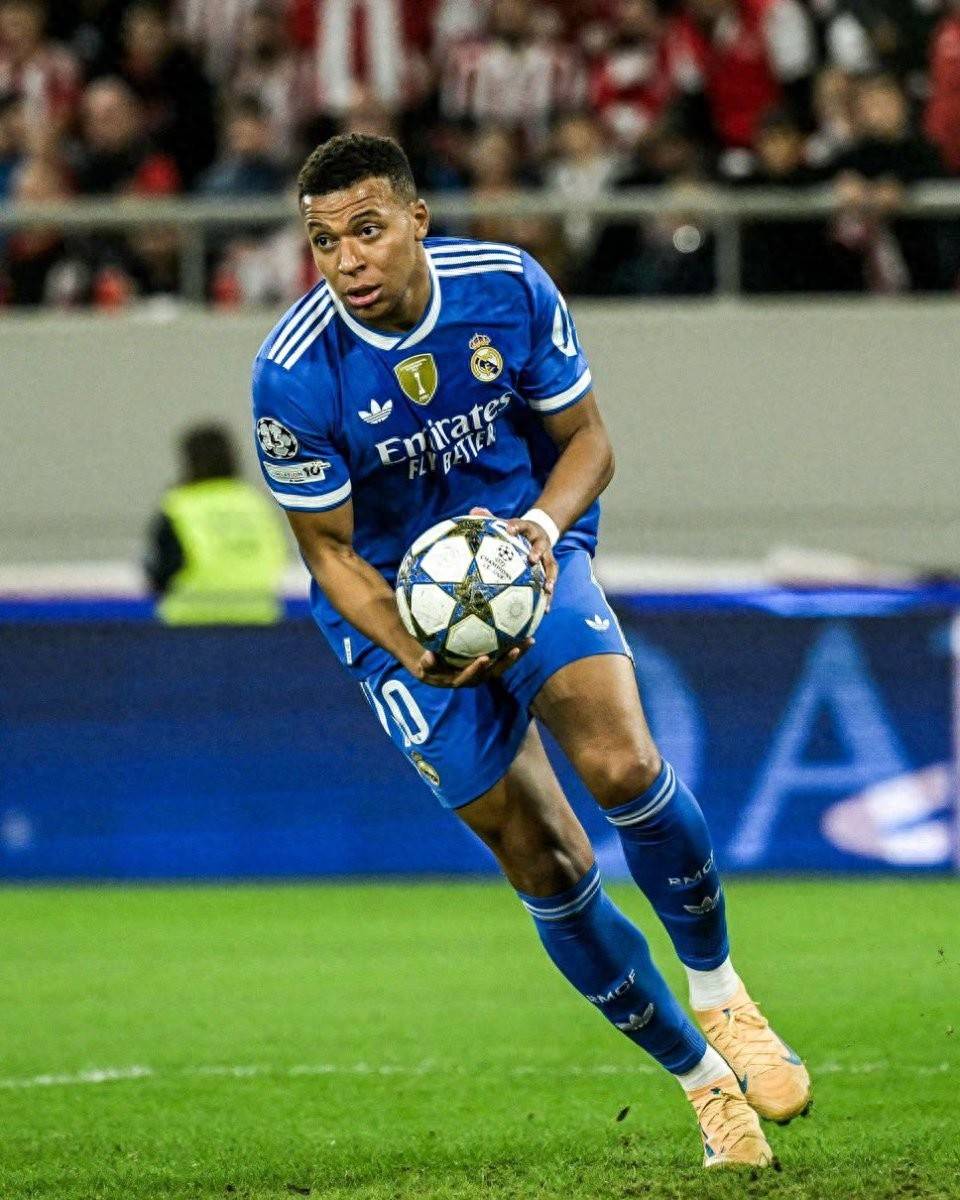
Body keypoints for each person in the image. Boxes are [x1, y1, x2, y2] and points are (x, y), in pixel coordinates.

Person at [250, 133, 811, 1170]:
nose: (348, 260)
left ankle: (725, 996)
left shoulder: (505, 285)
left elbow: (588, 441)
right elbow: (329, 554)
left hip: (527, 554)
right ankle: (704, 1085)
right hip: (398, 619)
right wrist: (410, 645)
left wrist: (543, 531)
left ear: (418, 219)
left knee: (623, 765)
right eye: (325, 242)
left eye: (368, 230)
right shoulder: (292, 373)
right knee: (544, 857)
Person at [146, 423, 288, 625]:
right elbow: (278, 552)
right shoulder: (255, 503)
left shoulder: (179, 505)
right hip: (256, 616)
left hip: (192, 619)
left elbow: (161, 571)